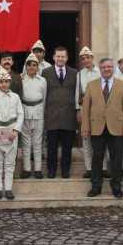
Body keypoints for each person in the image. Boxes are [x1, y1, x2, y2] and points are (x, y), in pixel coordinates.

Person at [81, 57, 123, 198]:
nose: (107, 69)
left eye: (109, 67)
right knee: (97, 158)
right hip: (97, 127)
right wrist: (85, 127)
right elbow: (85, 109)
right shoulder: (91, 85)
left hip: (117, 127)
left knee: (116, 159)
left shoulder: (122, 85)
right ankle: (96, 186)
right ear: (100, 68)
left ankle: (116, 186)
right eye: (104, 67)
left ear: (113, 68)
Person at [0, 69, 24, 200]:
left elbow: (20, 114)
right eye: (1, 82)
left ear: (10, 82)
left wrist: (16, 130)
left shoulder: (16, 97)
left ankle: (8, 188)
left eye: (6, 81)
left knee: (10, 163)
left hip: (12, 131)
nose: (4, 84)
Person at [42, 46, 78, 179]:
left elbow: (77, 93)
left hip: (69, 116)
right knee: (51, 147)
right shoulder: (45, 73)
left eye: (63, 56)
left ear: (67, 58)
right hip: (52, 116)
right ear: (53, 57)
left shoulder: (75, 73)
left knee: (67, 148)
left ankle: (65, 171)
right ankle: (51, 171)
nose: (60, 59)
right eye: (58, 56)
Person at [75, 46, 103, 179]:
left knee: (101, 138)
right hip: (84, 108)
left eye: (88, 57)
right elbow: (77, 93)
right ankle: (89, 168)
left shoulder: (100, 72)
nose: (86, 60)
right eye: (83, 58)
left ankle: (103, 167)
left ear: (92, 58)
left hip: (98, 108)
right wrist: (78, 110)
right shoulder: (79, 74)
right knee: (86, 139)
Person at [20, 53, 47, 179]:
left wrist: (43, 112)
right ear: (26, 66)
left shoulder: (42, 81)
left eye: (34, 65)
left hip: (38, 112)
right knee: (26, 142)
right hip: (25, 111)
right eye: (29, 65)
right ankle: (26, 168)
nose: (32, 67)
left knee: (37, 141)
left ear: (37, 67)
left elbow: (44, 98)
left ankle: (38, 169)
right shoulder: (21, 79)